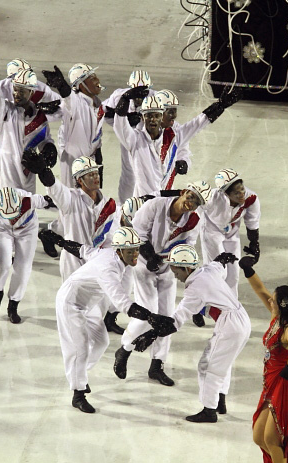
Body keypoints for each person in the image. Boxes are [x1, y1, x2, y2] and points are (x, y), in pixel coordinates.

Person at [52, 227, 176, 413]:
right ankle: (78, 394)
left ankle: (79, 374)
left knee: (102, 342)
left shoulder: (108, 253)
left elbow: (82, 249)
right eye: (130, 251)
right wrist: (151, 317)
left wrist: (60, 242)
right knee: (79, 349)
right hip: (70, 304)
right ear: (119, 251)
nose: (135, 254)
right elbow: (123, 303)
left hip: (87, 304)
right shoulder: (108, 269)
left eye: (137, 249)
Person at [132, 244, 251, 423]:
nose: (175, 276)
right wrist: (225, 257)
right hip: (242, 319)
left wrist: (150, 335)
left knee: (208, 366)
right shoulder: (206, 270)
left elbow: (175, 322)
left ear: (187, 268)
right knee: (222, 363)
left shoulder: (195, 288)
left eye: (177, 271)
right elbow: (219, 263)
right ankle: (219, 401)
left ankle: (209, 410)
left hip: (230, 326)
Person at [112, 181, 211, 386]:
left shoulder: (194, 220)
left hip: (168, 268)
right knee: (147, 311)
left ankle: (157, 365)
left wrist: (177, 262)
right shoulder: (155, 206)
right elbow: (137, 233)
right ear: (184, 192)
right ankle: (124, 349)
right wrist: (149, 256)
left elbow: (188, 244)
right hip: (143, 264)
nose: (191, 204)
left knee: (166, 317)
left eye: (197, 203)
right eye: (190, 197)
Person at [239, 256, 288, 463]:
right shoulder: (276, 318)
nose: (270, 300)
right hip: (271, 383)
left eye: (274, 299)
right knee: (259, 436)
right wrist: (248, 270)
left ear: (281, 304)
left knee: (272, 439)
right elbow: (261, 290)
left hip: (285, 385)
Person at [112, 85, 242, 197]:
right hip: (143, 203)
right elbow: (120, 126)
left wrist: (220, 105)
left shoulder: (174, 134)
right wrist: (124, 99)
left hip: (165, 198)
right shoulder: (136, 137)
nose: (174, 115)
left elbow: (196, 124)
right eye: (171, 111)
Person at [0, 48, 59, 194]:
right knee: (6, 211)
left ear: (32, 92)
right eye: (15, 90)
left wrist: (49, 148)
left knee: (27, 210)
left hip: (28, 173)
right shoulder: (5, 111)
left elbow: (44, 139)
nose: (16, 94)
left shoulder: (40, 117)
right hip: (7, 173)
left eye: (21, 91)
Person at [22, 153, 117, 281]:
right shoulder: (71, 199)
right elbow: (56, 188)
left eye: (96, 173)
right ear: (79, 180)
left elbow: (110, 236)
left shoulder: (107, 204)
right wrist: (44, 171)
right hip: (73, 264)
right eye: (90, 174)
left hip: (97, 263)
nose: (96, 177)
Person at [0, 187, 54, 324]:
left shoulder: (30, 200)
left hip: (27, 228)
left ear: (19, 203)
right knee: (1, 262)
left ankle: (13, 305)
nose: (13, 218)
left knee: (23, 266)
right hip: (3, 227)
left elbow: (54, 201)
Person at [200, 168, 261, 298]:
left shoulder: (251, 198)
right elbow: (188, 196)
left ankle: (231, 303)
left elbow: (252, 221)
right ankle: (210, 302)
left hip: (232, 232)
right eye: (236, 193)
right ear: (225, 194)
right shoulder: (212, 197)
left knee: (234, 271)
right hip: (212, 231)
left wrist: (254, 243)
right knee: (217, 270)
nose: (242, 194)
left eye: (242, 189)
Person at [42, 63, 105, 188]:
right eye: (92, 78)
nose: (97, 80)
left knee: (89, 202)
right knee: (72, 201)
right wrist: (61, 85)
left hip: (90, 161)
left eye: (95, 76)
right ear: (81, 85)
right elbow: (68, 98)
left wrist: (98, 156)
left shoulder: (97, 105)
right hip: (73, 162)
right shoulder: (77, 102)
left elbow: (96, 135)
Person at [101, 69, 155, 202]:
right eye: (137, 93)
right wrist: (122, 121)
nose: (139, 98)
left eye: (143, 93)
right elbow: (103, 112)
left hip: (150, 142)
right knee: (129, 173)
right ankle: (126, 206)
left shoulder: (157, 98)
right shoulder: (120, 96)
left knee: (150, 172)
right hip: (129, 139)